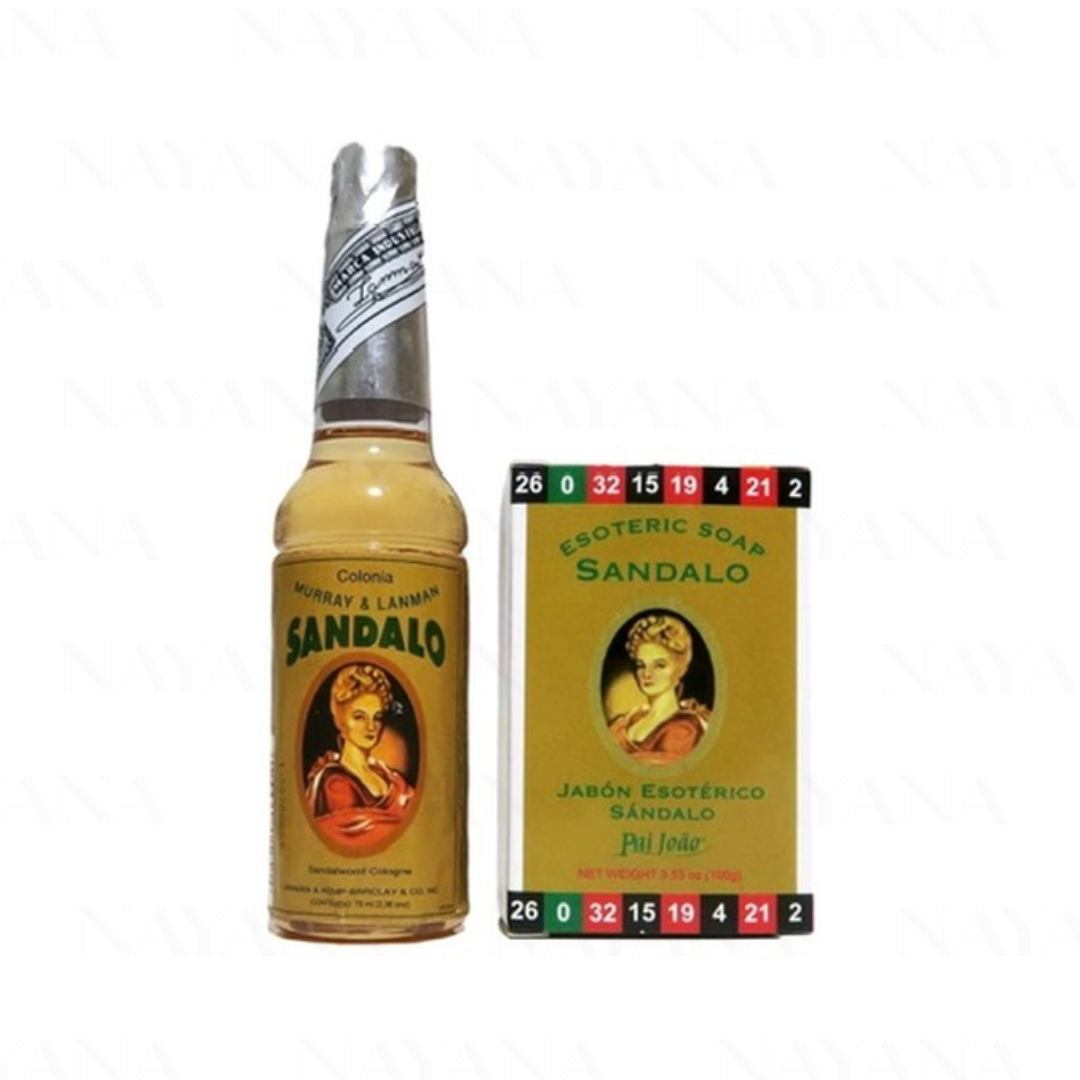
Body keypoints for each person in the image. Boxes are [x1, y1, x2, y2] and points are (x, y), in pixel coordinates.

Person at [306, 663, 415, 849]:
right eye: (359, 717)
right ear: (341, 720)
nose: (371, 727)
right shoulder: (335, 783)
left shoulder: (387, 776)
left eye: (377, 717)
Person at [608, 613, 709, 765]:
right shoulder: (632, 718)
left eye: (659, 665)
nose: (647, 674)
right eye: (641, 665)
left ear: (679, 669)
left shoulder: (685, 728)